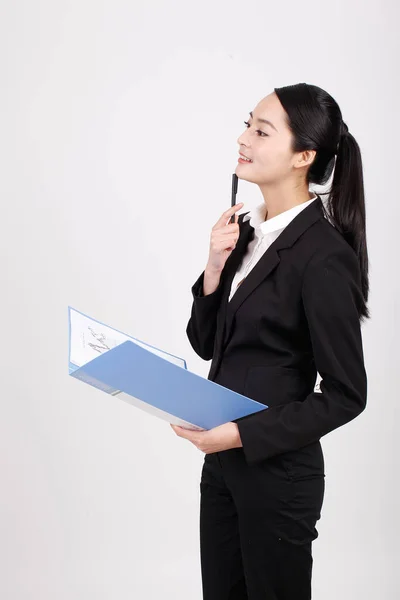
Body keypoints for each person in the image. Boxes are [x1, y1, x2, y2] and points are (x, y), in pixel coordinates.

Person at [171, 82, 369, 600]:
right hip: (223, 470)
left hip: (278, 476)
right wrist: (215, 266)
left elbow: (348, 394)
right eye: (247, 124)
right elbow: (206, 342)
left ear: (304, 156)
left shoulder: (323, 255)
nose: (244, 138)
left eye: (261, 131)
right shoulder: (248, 234)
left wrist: (238, 435)